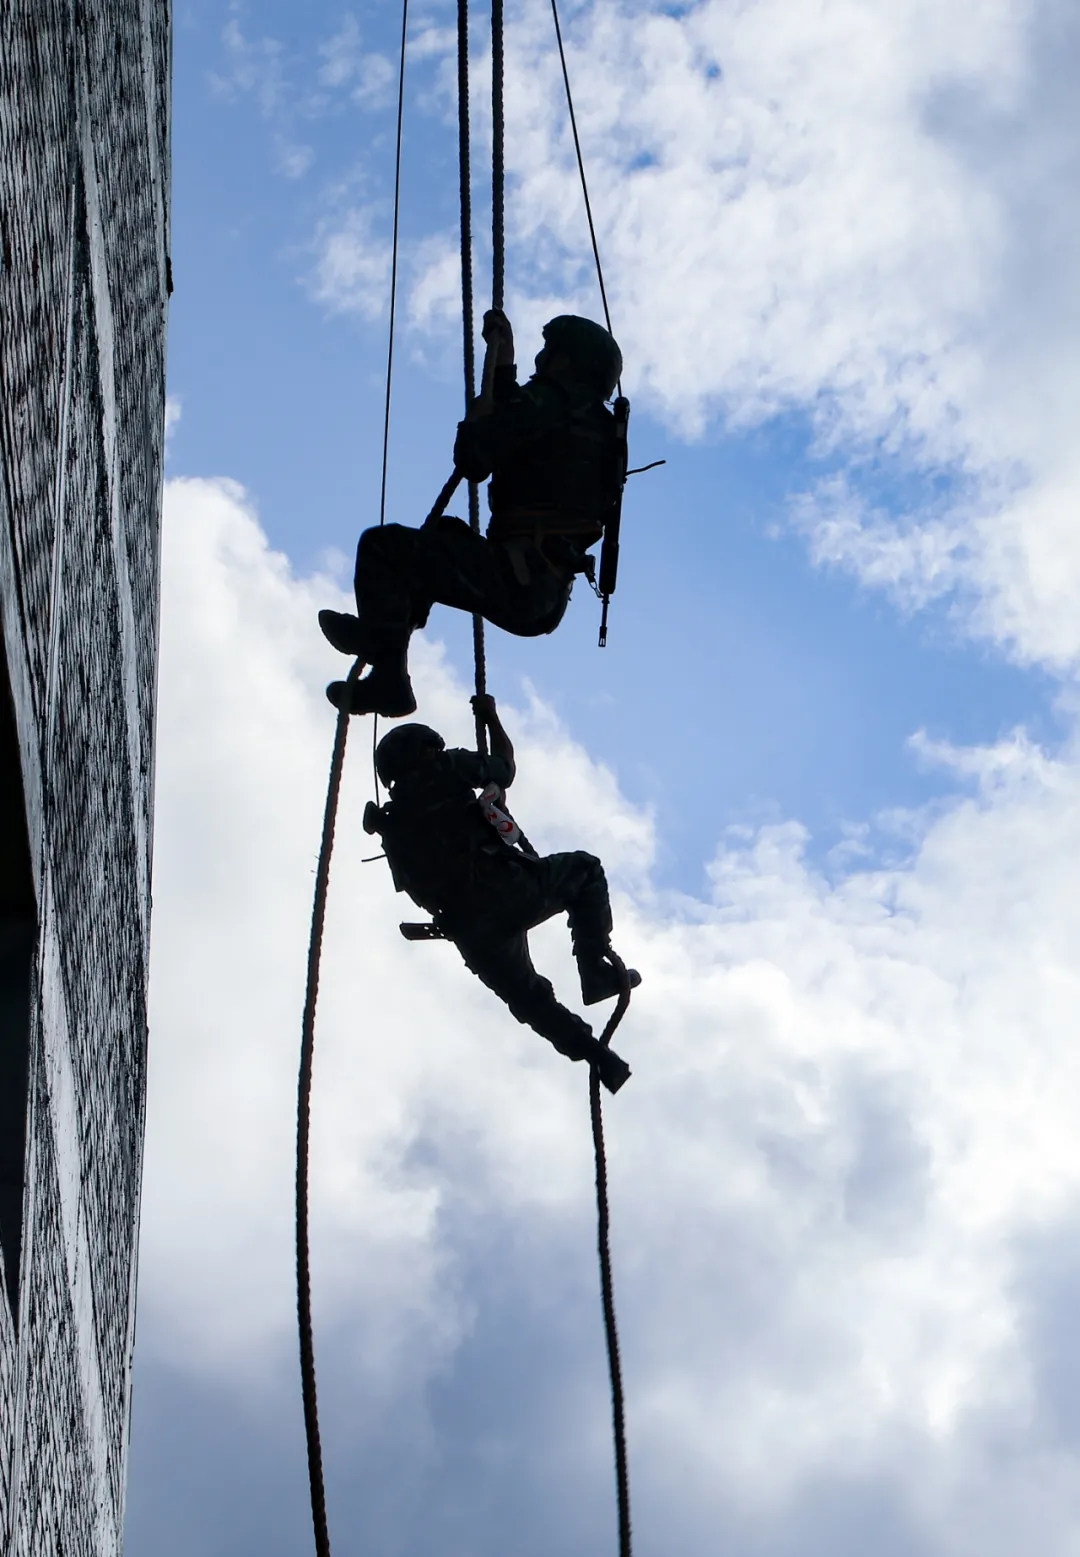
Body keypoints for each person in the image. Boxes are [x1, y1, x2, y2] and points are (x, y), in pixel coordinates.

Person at [319, 310, 624, 718]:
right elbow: (523, 427)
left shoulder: (553, 402)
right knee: (442, 536)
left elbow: (476, 457)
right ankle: (383, 639)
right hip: (540, 585)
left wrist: (481, 411)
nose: (540, 360)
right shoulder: (594, 425)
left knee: (384, 548)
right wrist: (503, 365)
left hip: (519, 578)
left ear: (567, 361)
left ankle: (388, 667)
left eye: (549, 351)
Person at [365, 695, 639, 1093]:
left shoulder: (392, 826)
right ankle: (593, 970)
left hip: (470, 930)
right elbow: (504, 767)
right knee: (584, 870)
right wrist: (490, 717)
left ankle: (599, 1059)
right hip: (507, 890)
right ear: (424, 750)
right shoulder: (445, 768)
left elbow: (416, 889)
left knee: (531, 1002)